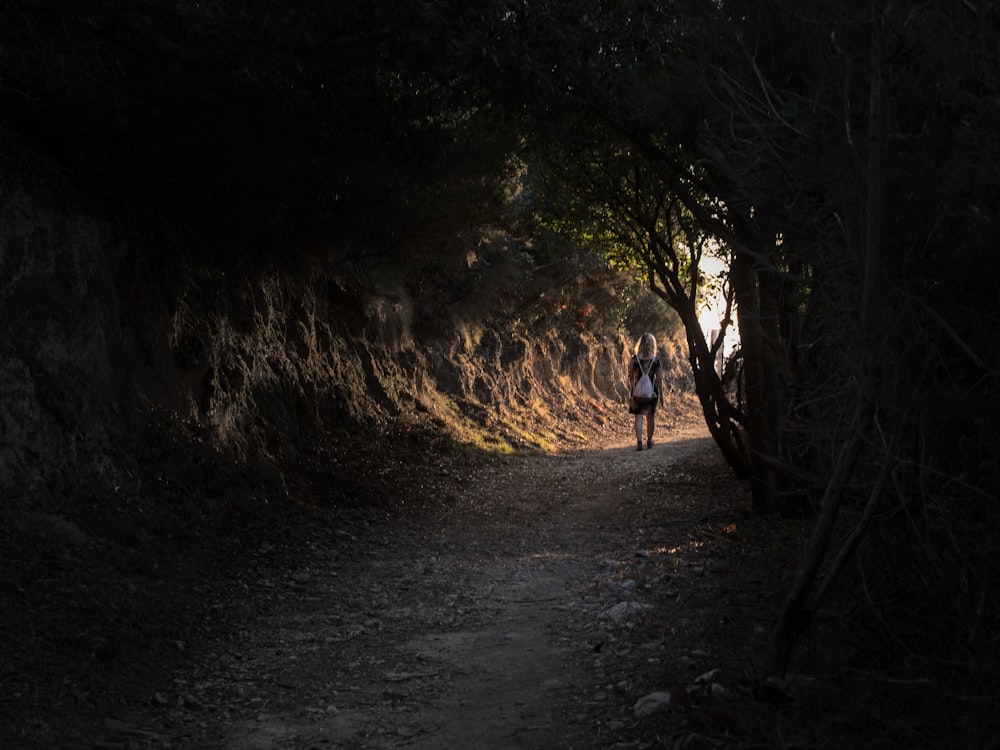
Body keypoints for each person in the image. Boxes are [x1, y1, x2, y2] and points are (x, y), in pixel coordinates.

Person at [628, 332, 663, 451]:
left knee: (638, 417)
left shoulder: (635, 359)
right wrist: (662, 395)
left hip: (637, 391)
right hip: (651, 393)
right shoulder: (655, 360)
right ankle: (649, 441)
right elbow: (659, 380)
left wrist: (632, 389)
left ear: (641, 344)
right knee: (650, 417)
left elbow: (631, 375)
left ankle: (639, 442)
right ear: (652, 344)